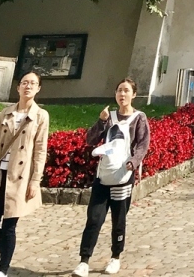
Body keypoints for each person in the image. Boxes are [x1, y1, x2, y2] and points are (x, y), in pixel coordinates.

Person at [72, 78, 150, 277]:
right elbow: (90, 139)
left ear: (133, 94)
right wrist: (101, 121)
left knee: (119, 219)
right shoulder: (109, 116)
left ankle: (115, 256)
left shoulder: (139, 118)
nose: (122, 94)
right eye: (119, 90)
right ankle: (84, 261)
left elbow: (143, 144)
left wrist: (133, 162)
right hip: (103, 175)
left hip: (123, 177)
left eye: (126, 91)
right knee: (94, 219)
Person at [0, 71, 49, 277]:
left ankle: (3, 269)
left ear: (38, 89)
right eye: (24, 83)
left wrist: (35, 180)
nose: (28, 86)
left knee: (9, 225)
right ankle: (4, 253)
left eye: (33, 83)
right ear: (18, 87)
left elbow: (40, 151)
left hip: (20, 179)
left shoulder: (40, 116)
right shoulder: (5, 113)